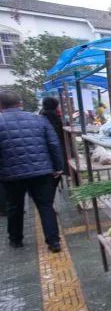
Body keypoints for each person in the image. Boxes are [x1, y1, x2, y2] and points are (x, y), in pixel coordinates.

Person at [0, 91, 64, 252]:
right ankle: (54, 242)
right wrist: (58, 167)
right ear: (20, 103)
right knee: (45, 206)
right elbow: (54, 144)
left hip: (11, 175)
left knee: (14, 206)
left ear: (1, 106)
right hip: (41, 171)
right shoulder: (39, 119)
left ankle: (16, 239)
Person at [39, 96, 69, 176]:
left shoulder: (40, 117)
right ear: (56, 106)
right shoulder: (57, 118)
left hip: (44, 154)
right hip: (61, 149)